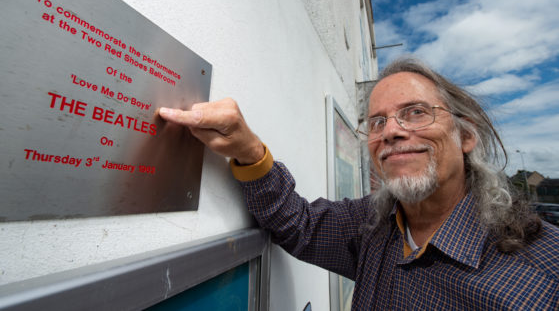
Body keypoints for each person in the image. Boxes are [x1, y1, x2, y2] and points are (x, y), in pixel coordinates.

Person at [158, 58, 559, 309]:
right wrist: (249, 151)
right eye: (378, 121)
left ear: (466, 137)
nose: (392, 132)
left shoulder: (544, 273)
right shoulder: (372, 225)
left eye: (416, 112)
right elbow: (300, 224)